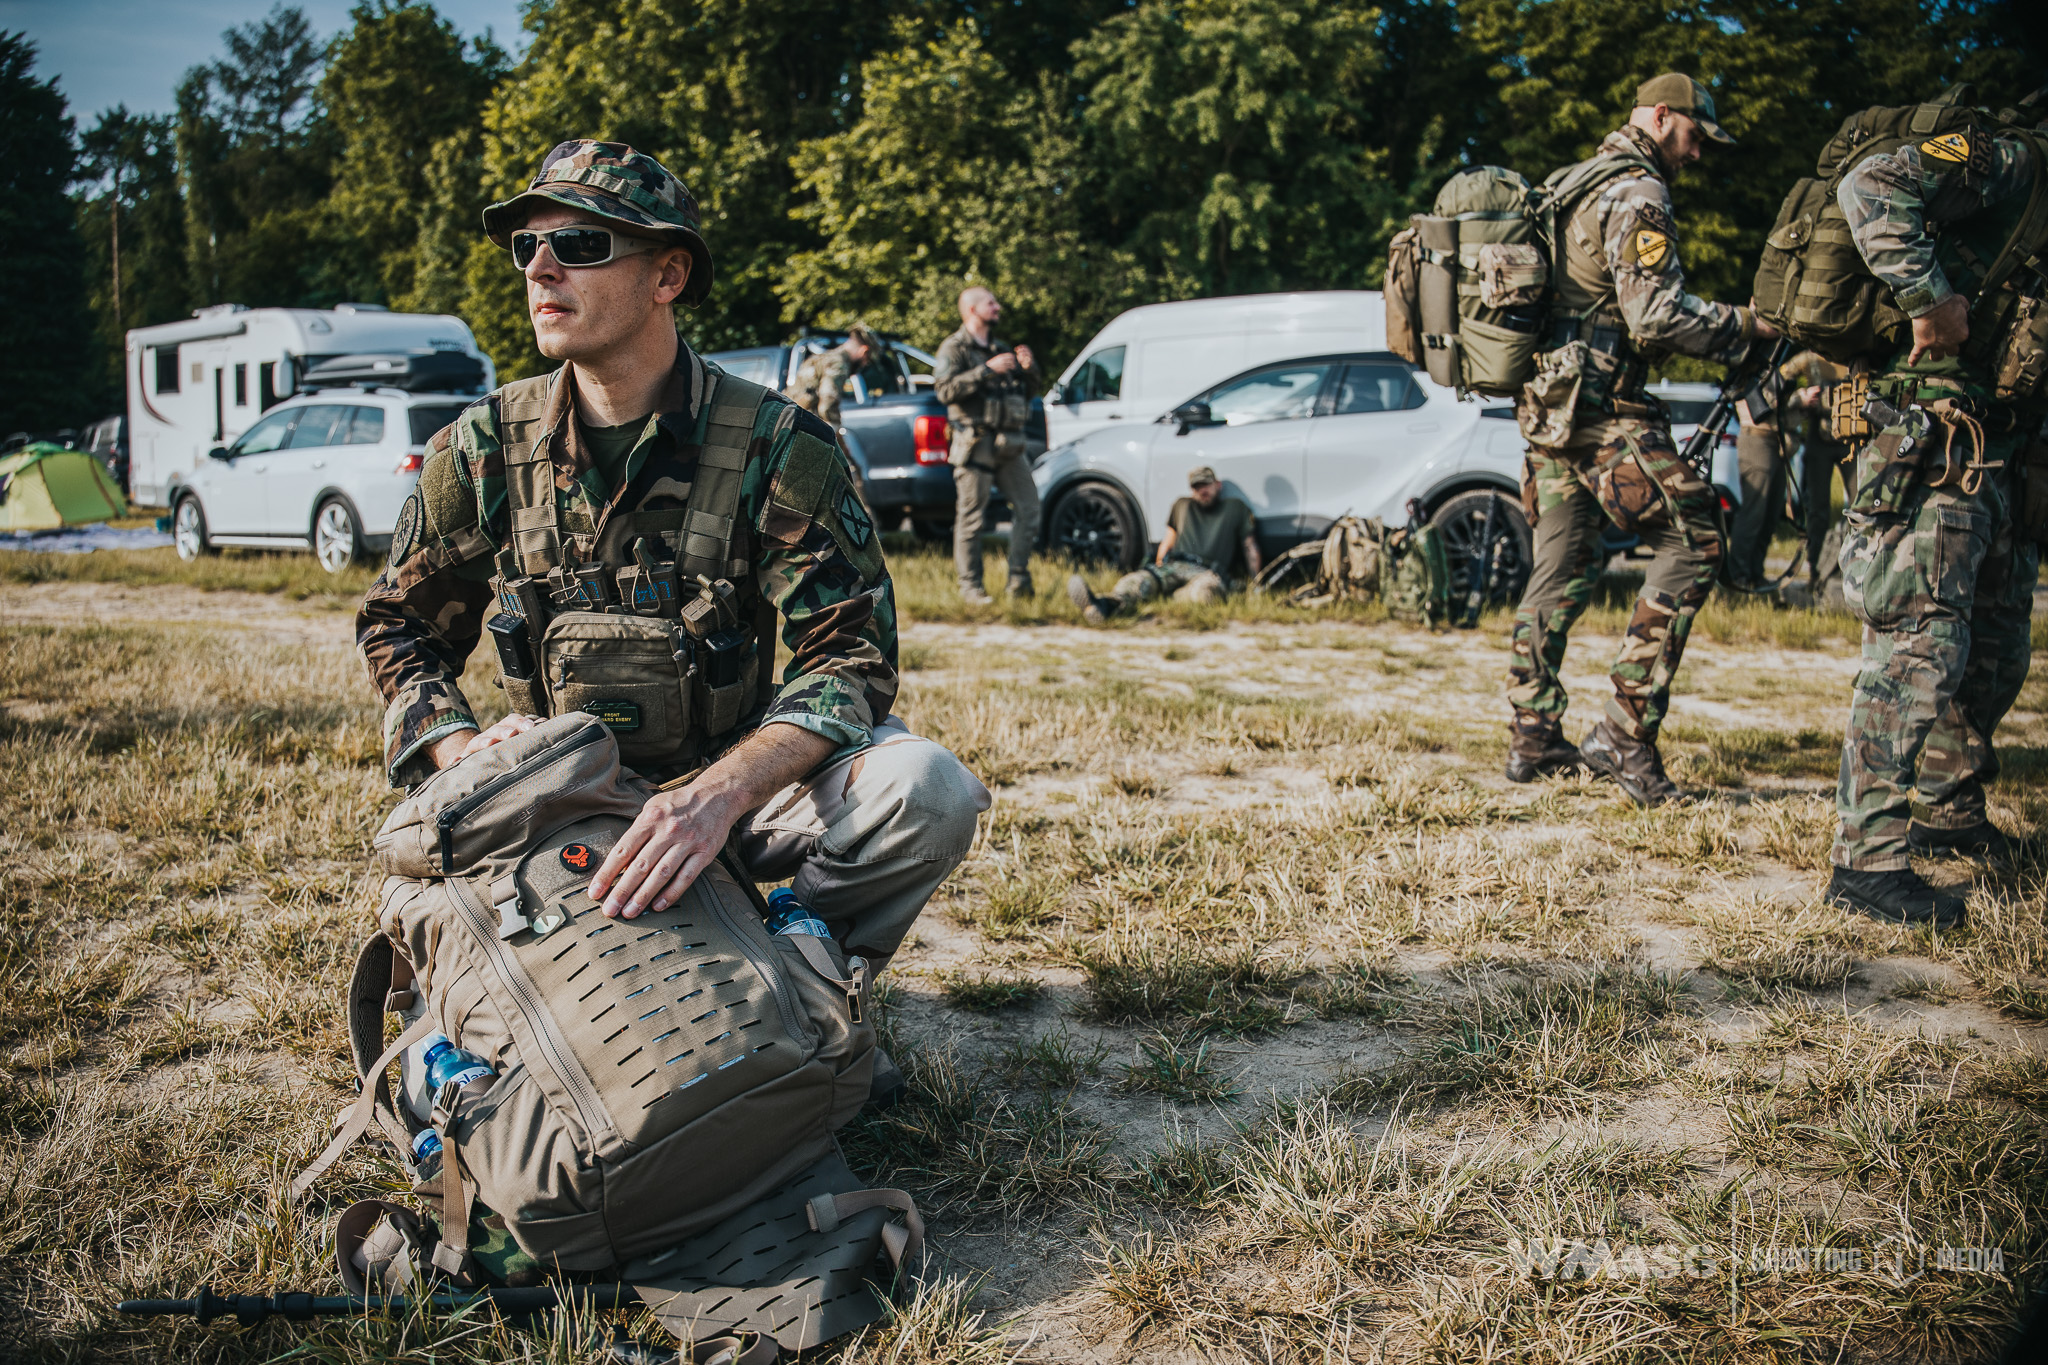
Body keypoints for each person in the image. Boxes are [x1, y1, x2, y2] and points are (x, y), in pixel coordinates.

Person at [356, 141, 990, 1001]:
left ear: (667, 275)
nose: (541, 269)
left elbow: (849, 658)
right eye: (527, 246)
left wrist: (720, 795)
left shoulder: (778, 446)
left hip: (730, 802)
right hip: (554, 805)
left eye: (579, 245)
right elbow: (399, 624)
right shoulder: (480, 450)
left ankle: (796, 972)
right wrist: (468, 753)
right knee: (412, 887)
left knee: (928, 788)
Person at [1503, 73, 1780, 802]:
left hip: (1549, 411)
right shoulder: (1638, 192)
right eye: (1694, 137)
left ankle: (1532, 733)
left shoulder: (1571, 183)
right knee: (1695, 540)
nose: (1698, 155)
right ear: (1663, 118)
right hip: (1600, 413)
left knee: (1559, 563)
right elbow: (1655, 317)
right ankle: (1622, 735)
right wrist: (1748, 325)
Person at [1823, 104, 2043, 928]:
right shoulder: (2018, 160)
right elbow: (1869, 182)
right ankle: (1866, 861)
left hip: (1995, 439)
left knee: (1994, 642)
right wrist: (1927, 295)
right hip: (1930, 428)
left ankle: (1949, 810)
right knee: (1920, 641)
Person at [933, 287, 1039, 604]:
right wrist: (985, 371)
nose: (998, 307)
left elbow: (1028, 391)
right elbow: (944, 391)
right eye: (990, 303)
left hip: (1008, 443)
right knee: (972, 518)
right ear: (971, 309)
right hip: (974, 443)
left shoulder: (1000, 348)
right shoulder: (954, 348)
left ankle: (1018, 582)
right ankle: (970, 588)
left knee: (1029, 507)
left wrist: (1029, 367)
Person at [1068, 465, 1260, 623]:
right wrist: (1157, 568)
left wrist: (1256, 582)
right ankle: (1104, 605)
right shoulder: (1182, 505)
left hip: (1206, 571)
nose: (1202, 491)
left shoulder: (1234, 508)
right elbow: (1168, 541)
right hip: (1174, 565)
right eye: (1197, 487)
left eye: (1206, 485)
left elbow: (1249, 546)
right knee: (1138, 582)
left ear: (1217, 485)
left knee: (1204, 593)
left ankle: (1172, 598)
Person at [785, 323, 876, 430]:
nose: (865, 364)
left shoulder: (824, 357)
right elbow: (828, 406)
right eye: (868, 360)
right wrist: (837, 438)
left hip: (787, 420)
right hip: (797, 426)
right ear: (864, 351)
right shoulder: (839, 364)